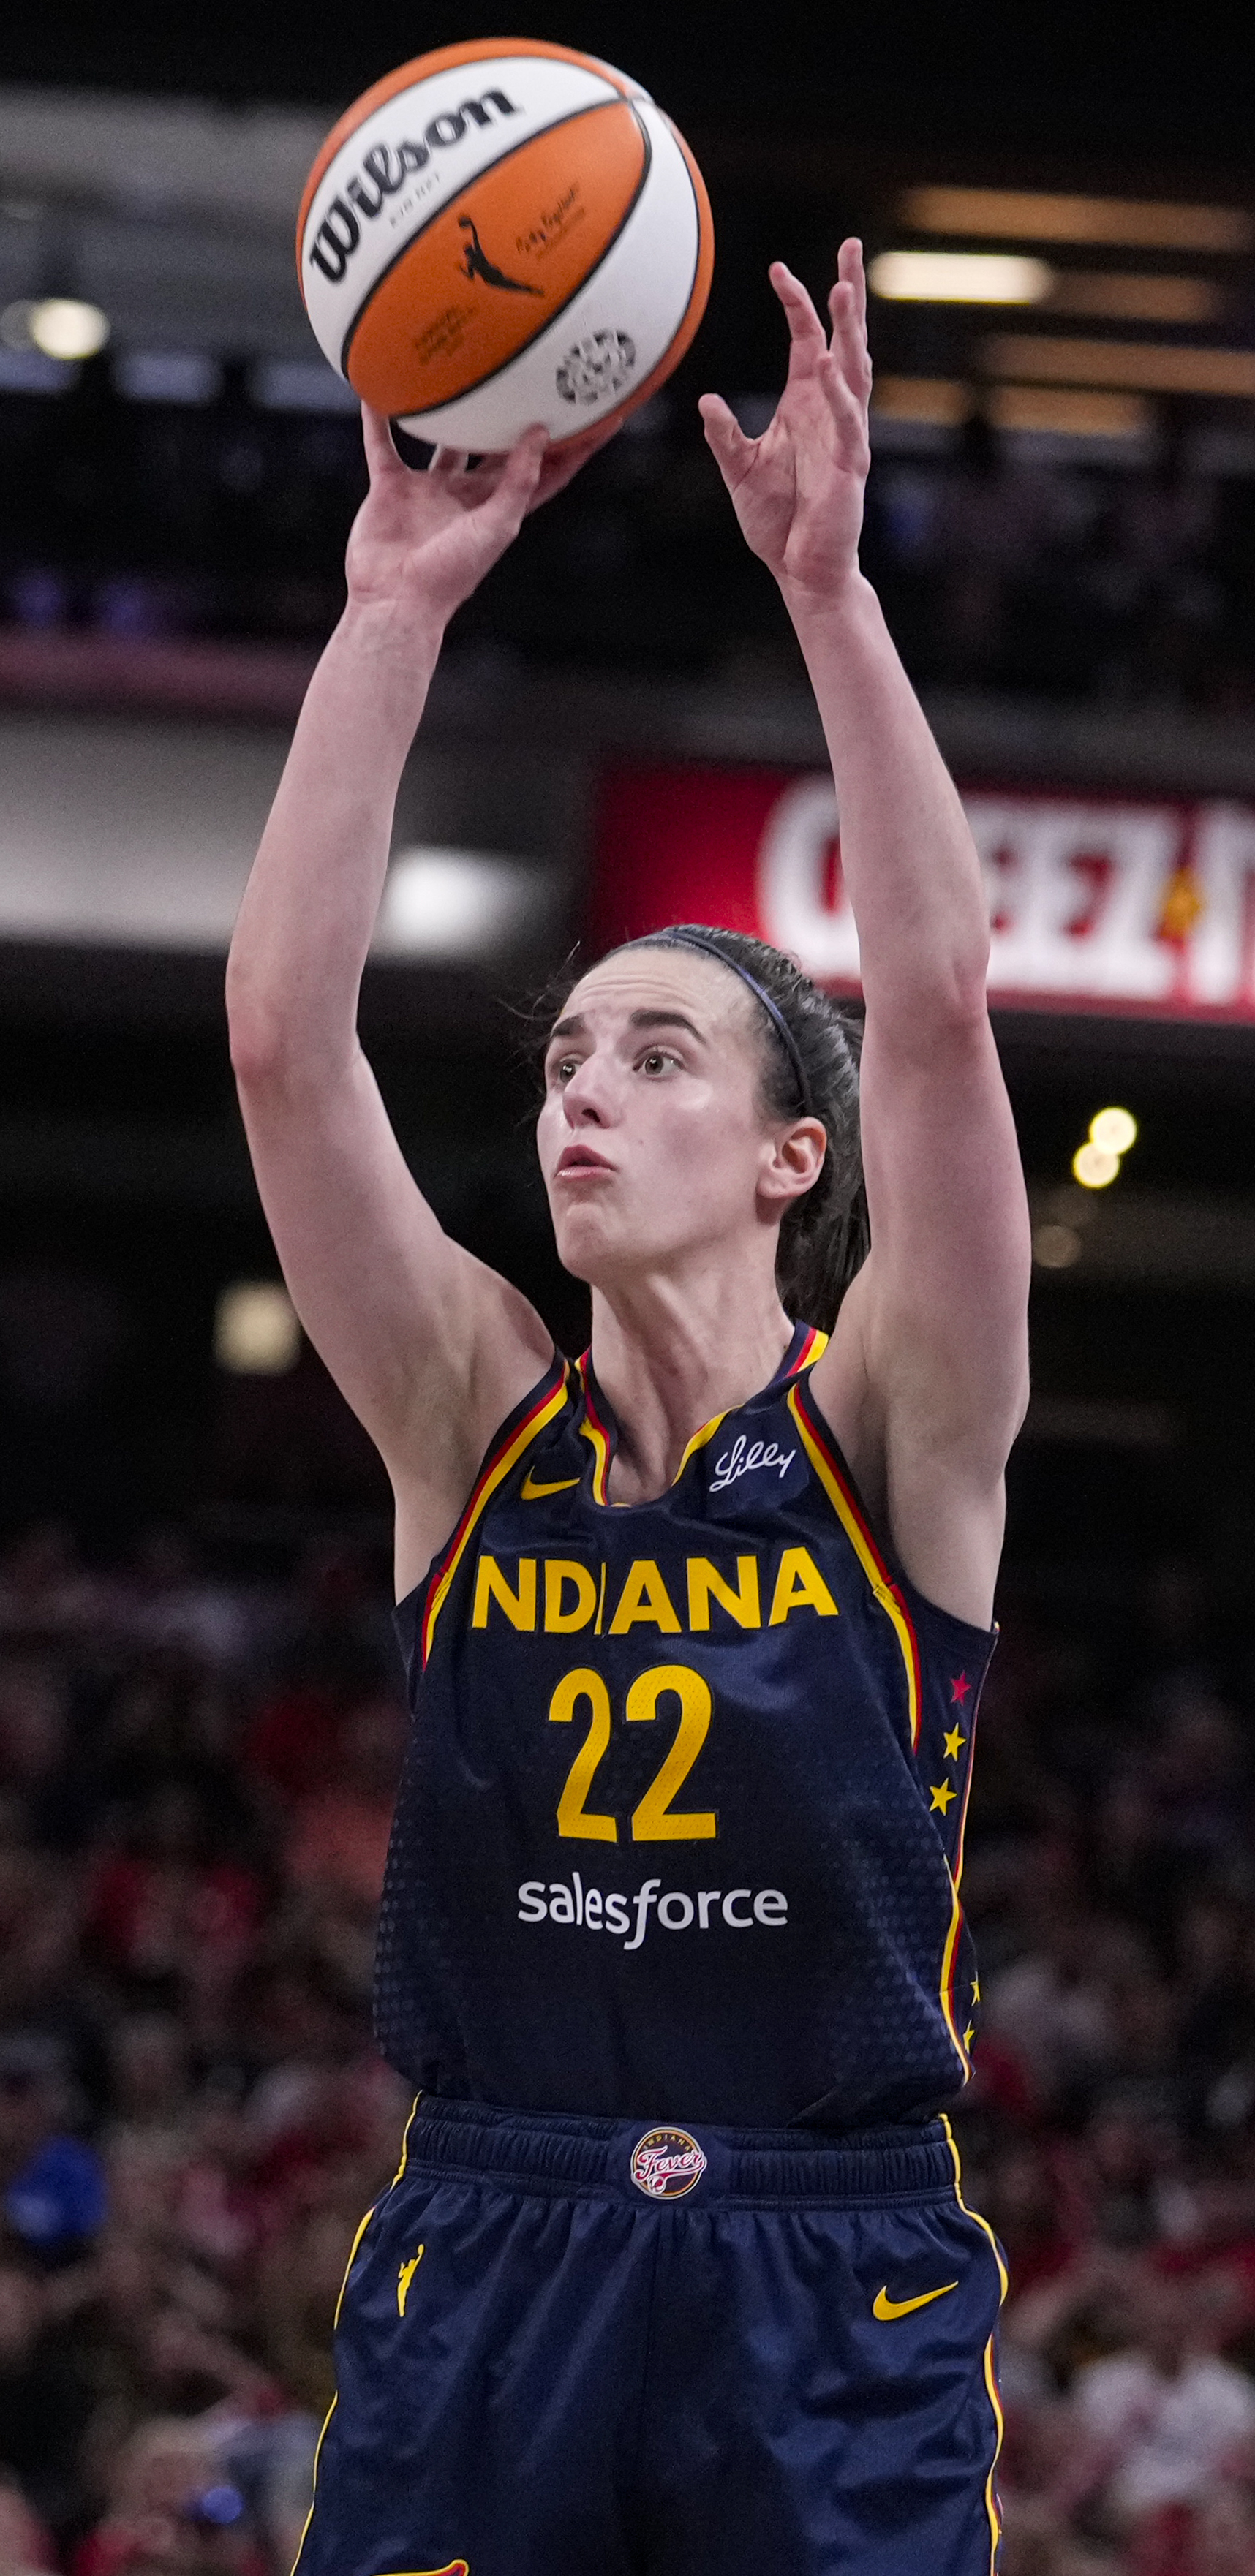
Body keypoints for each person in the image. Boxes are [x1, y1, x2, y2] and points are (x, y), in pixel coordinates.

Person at [225, 241, 1025, 2573]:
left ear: (795, 1154)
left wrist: (830, 601)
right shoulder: (466, 1407)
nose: (582, 1094)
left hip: (825, 2262)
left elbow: (946, 1020)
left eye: (654, 1057)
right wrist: (392, 607)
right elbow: (286, 1038)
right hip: (502, 2239)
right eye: (565, 1055)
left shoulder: (897, 1420)